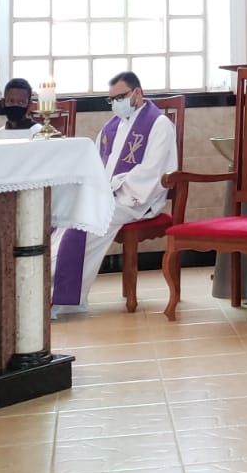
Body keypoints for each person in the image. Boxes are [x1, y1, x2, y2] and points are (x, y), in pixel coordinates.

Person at [50, 71, 177, 317]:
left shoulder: (159, 124)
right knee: (66, 219)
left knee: (84, 225)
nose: (115, 104)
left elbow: (152, 171)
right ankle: (50, 289)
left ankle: (63, 300)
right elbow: (95, 166)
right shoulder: (112, 127)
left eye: (120, 97)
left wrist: (111, 188)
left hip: (137, 199)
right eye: (112, 99)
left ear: (137, 93)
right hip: (109, 196)